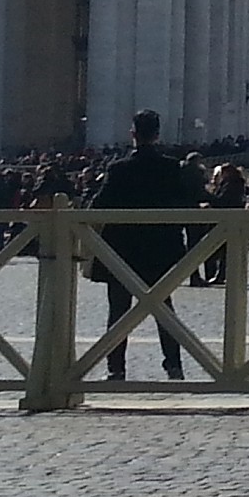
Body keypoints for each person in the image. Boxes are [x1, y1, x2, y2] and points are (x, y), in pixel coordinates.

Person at [85, 111, 196, 382]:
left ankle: (116, 368)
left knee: (118, 311)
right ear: (157, 135)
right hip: (161, 250)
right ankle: (174, 365)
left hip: (123, 252)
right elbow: (186, 202)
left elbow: (98, 207)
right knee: (164, 310)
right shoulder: (172, 167)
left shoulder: (118, 169)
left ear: (132, 134)